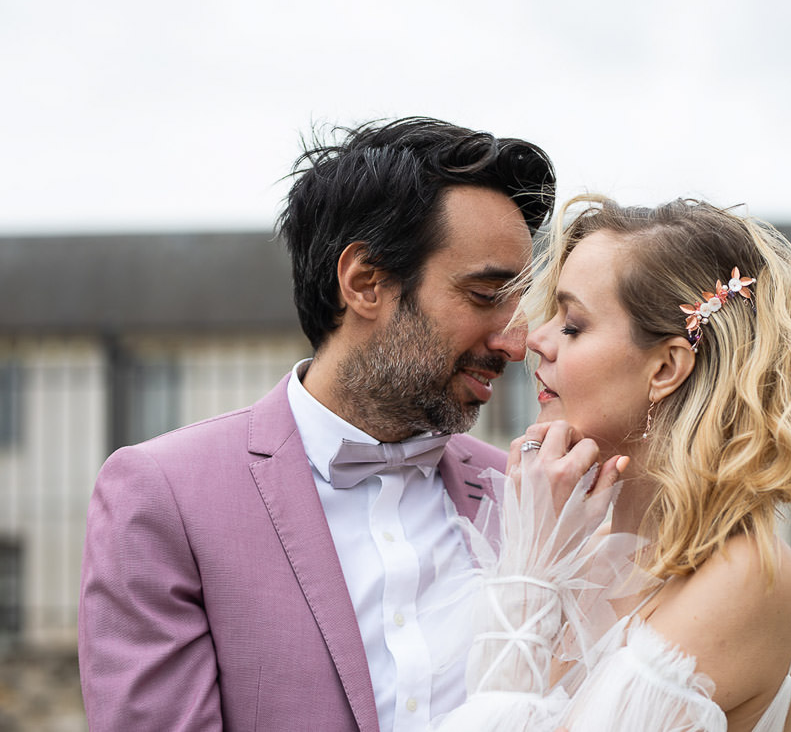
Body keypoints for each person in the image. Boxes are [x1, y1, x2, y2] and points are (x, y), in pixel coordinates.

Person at [78, 117, 555, 732]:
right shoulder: (165, 496)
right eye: (487, 295)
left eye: (523, 302)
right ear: (366, 283)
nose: (517, 344)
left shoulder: (519, 489)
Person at [432, 195, 791, 732]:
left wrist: (527, 582)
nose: (534, 341)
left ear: (666, 367)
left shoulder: (748, 576)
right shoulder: (580, 554)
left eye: (572, 324)